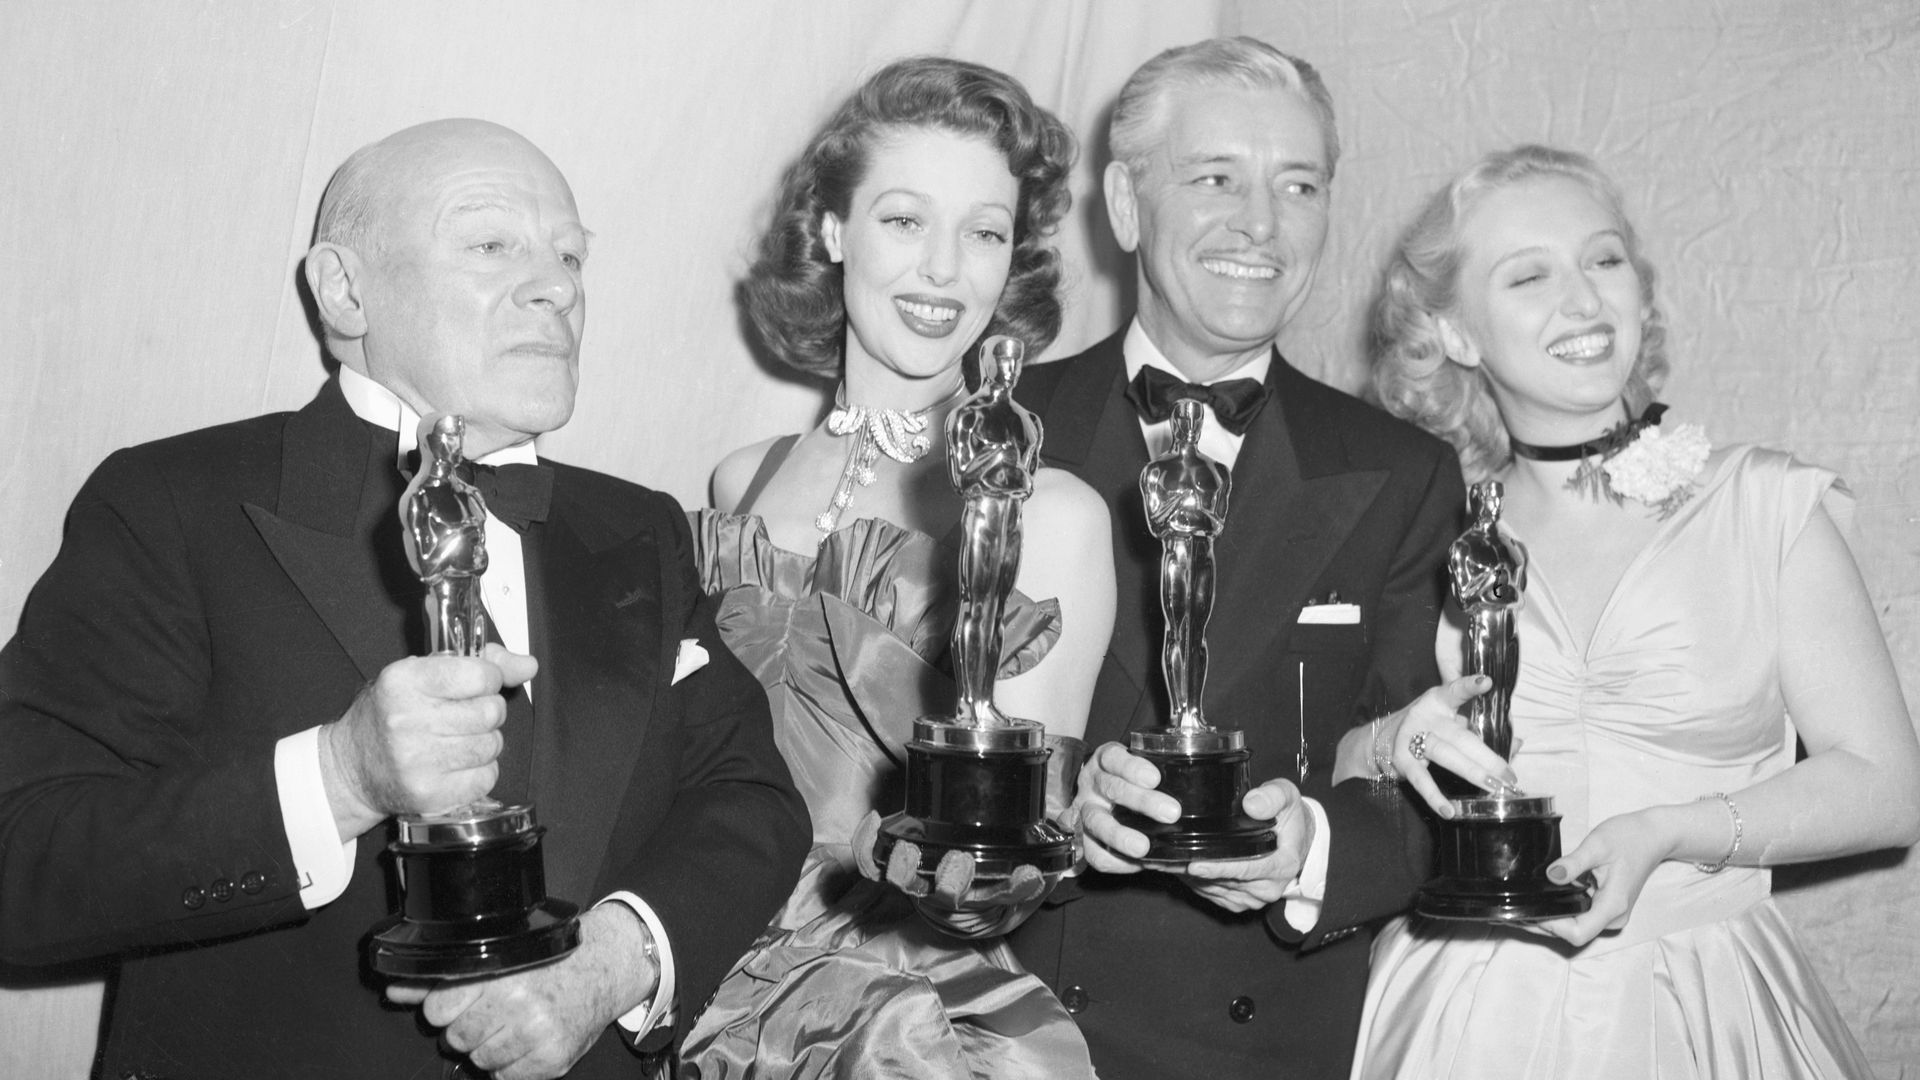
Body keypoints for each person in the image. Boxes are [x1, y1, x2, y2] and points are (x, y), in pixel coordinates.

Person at [0, 119, 810, 1080]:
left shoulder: (642, 528)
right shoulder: (174, 504)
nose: (558, 286)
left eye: (568, 255)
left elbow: (752, 800)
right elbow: (20, 861)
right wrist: (339, 778)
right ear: (345, 291)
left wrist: (612, 965)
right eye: (489, 243)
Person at [1345, 143, 1920, 1079]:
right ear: (1456, 334)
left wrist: (1671, 831)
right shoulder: (1427, 528)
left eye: (1604, 260)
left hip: (1705, 1003)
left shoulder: (1763, 504)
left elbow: (1889, 792)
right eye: (1529, 275)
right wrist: (1386, 746)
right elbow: (1333, 759)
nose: (1582, 300)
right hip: (1460, 1009)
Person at [1006, 36, 1490, 1080]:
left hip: (1270, 1042)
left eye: (1298, 186)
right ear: (1128, 207)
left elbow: (1439, 787)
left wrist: (1311, 849)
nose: (1260, 225)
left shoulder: (1403, 474)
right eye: (1214, 177)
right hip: (1010, 1031)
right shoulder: (1004, 431)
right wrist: (1051, 810)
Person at [677, 58, 1114, 1079]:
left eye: (986, 233)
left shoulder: (1051, 515)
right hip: (700, 980)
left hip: (899, 1022)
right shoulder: (742, 479)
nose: (944, 270)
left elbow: (1015, 855)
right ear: (832, 230)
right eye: (906, 220)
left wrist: (966, 873)